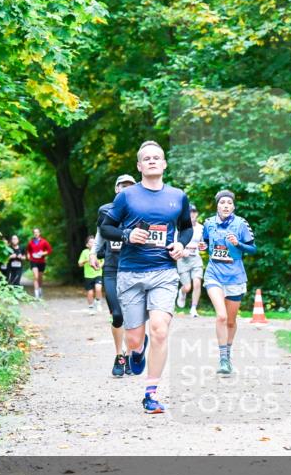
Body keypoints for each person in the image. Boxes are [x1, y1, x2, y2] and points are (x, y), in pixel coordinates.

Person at [100, 141, 193, 414]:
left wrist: (181, 245)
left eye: (157, 157)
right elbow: (107, 228)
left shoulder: (178, 196)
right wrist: (127, 235)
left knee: (160, 330)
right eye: (146, 159)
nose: (152, 161)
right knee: (133, 340)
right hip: (129, 273)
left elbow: (186, 228)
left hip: (164, 271)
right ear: (139, 166)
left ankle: (151, 394)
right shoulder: (126, 198)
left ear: (164, 164)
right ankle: (137, 351)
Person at [202, 190, 257, 375]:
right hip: (214, 275)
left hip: (235, 277)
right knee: (222, 316)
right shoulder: (209, 223)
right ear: (217, 205)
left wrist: (238, 244)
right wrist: (203, 247)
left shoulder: (241, 224)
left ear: (233, 206)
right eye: (222, 202)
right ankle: (223, 358)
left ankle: (228, 352)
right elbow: (206, 242)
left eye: (229, 203)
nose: (226, 205)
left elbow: (253, 249)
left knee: (231, 322)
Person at [92, 174, 137, 377]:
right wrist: (94, 252)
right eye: (123, 186)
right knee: (117, 315)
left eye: (130, 187)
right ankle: (119, 355)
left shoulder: (141, 211)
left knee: (132, 318)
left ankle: (129, 355)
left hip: (134, 269)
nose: (126, 190)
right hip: (111, 269)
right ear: (116, 189)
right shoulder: (106, 210)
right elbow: (101, 232)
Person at [175, 203, 205, 317]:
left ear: (196, 214)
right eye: (189, 212)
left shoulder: (201, 228)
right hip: (182, 259)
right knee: (188, 287)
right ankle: (182, 292)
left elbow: (204, 243)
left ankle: (193, 308)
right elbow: (175, 243)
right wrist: (182, 251)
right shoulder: (179, 227)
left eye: (193, 212)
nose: (191, 214)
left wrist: (203, 246)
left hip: (196, 258)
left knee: (197, 282)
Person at [78, 235, 103, 313]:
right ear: (87, 245)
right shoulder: (84, 252)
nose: (92, 243)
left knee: (98, 288)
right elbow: (79, 264)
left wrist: (100, 266)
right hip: (88, 276)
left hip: (98, 273)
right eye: (90, 242)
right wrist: (86, 260)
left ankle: (98, 302)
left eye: (94, 242)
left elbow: (103, 261)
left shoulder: (99, 251)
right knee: (90, 292)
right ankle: (91, 307)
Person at [26, 228, 52, 299]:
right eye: (34, 232)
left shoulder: (44, 241)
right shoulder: (30, 242)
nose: (36, 233)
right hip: (33, 261)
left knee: (40, 278)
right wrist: (28, 256)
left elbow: (49, 250)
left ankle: (40, 289)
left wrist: (43, 253)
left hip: (41, 262)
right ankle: (36, 294)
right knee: (36, 277)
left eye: (37, 232)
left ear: (40, 233)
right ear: (33, 233)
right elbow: (28, 250)